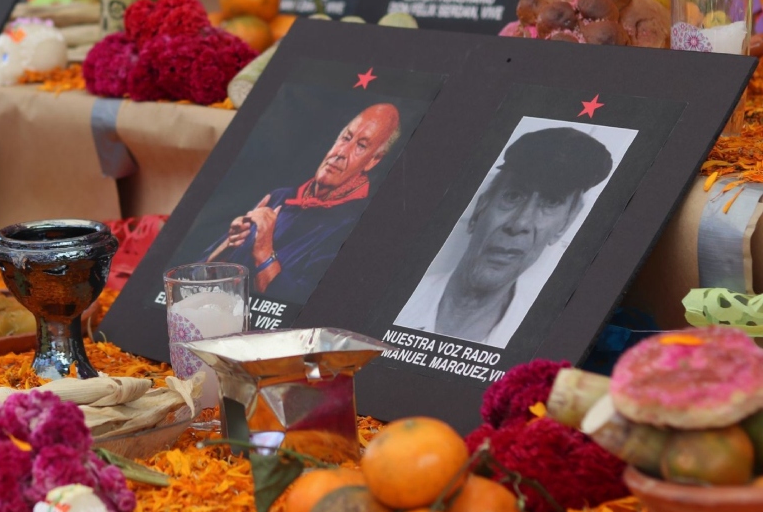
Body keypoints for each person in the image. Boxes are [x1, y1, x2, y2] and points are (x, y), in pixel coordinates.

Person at [394, 127, 614, 347]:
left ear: (564, 225)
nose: (520, 224)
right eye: (513, 195)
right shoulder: (397, 300)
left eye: (551, 202)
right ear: (480, 209)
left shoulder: (545, 341)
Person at [204, 103, 401, 303]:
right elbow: (199, 276)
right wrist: (230, 244)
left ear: (373, 160)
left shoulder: (355, 223)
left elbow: (296, 310)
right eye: (346, 138)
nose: (341, 152)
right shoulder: (280, 196)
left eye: (361, 146)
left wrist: (263, 252)